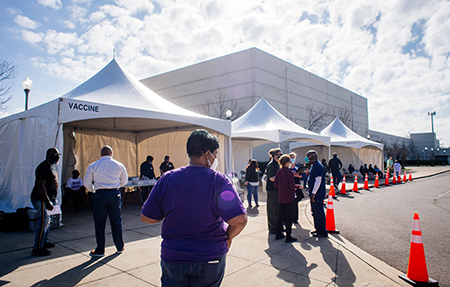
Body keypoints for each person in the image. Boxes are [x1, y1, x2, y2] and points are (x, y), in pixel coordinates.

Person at [141, 129, 247, 286]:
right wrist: (228, 237)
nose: (215, 158)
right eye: (215, 154)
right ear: (207, 155)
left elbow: (147, 217)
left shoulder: (167, 178)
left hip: (174, 257)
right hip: (210, 256)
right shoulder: (218, 180)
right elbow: (240, 220)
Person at [84, 146, 128, 257]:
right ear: (111, 153)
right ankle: (119, 246)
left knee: (99, 223)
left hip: (100, 195)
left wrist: (93, 190)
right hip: (114, 194)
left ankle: (100, 250)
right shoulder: (119, 165)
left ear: (101, 154)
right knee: (116, 221)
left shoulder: (93, 165)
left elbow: (87, 182)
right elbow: (124, 181)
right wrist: (116, 186)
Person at [30, 148, 61, 256]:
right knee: (43, 222)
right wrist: (47, 201)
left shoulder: (52, 166)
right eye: (56, 155)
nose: (58, 157)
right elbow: (40, 185)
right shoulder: (43, 167)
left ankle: (45, 241)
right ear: (49, 155)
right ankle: (37, 247)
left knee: (48, 221)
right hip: (41, 199)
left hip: (50, 198)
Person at [274, 155, 298, 243]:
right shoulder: (289, 173)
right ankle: (288, 235)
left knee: (280, 215)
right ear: (287, 163)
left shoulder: (279, 172)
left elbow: (275, 185)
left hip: (281, 197)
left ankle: (278, 233)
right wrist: (298, 186)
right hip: (289, 197)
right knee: (289, 217)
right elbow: (291, 186)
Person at [306, 150, 328, 238]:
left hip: (317, 194)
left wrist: (314, 193)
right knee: (315, 212)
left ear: (312, 157)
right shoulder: (313, 165)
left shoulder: (318, 166)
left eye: (308, 157)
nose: (307, 159)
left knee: (319, 212)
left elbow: (318, 180)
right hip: (314, 192)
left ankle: (322, 231)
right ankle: (318, 228)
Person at [266, 148, 282, 234]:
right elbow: (271, 178)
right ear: (275, 156)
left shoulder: (278, 164)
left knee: (278, 209)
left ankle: (278, 226)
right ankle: (273, 227)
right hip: (272, 190)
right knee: (273, 209)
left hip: (278, 189)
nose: (281, 156)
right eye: (280, 155)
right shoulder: (271, 165)